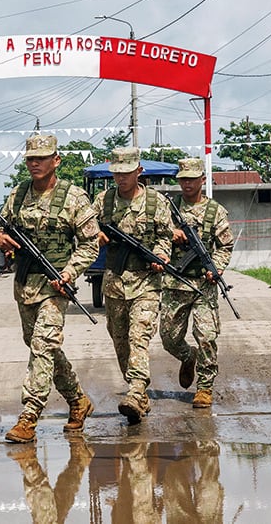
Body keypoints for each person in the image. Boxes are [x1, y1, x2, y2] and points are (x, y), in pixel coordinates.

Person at [0, 134, 99, 443]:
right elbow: (2, 227)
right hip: (26, 283)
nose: (35, 162)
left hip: (56, 286)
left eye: (41, 157)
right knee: (41, 346)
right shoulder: (18, 194)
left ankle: (29, 416)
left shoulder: (74, 197)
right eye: (30, 158)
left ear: (57, 160)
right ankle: (78, 400)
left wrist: (70, 272)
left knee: (43, 345)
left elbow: (90, 243)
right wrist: (0, 237)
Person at [94, 146, 173, 424]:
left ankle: (136, 389)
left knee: (139, 337)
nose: (121, 178)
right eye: (116, 173)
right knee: (120, 341)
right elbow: (87, 231)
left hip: (146, 283)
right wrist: (98, 238)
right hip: (114, 282)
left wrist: (162, 254)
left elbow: (165, 236)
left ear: (139, 171)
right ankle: (140, 397)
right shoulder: (103, 202)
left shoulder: (156, 203)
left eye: (126, 173)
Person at [159, 158, 234, 408]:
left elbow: (225, 245)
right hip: (175, 282)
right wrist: (171, 233)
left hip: (204, 284)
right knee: (168, 337)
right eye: (183, 179)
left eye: (192, 179)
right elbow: (154, 232)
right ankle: (187, 356)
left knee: (206, 337)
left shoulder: (215, 211)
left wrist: (218, 267)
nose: (187, 183)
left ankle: (204, 387)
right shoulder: (168, 209)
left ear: (202, 180)